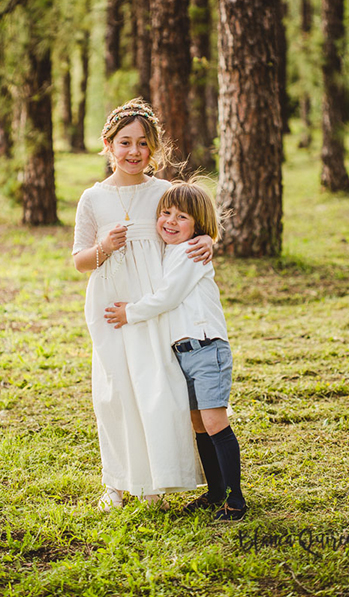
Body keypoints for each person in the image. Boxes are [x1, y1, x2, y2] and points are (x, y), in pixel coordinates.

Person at [71, 99, 213, 510]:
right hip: (111, 305)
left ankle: (157, 481)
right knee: (114, 392)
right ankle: (116, 481)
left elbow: (195, 227)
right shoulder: (93, 198)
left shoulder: (166, 192)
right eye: (125, 142)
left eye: (143, 143)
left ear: (155, 148)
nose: (134, 152)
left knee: (159, 388)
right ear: (108, 145)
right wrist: (104, 246)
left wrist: (207, 240)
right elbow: (79, 261)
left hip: (155, 303)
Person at [104, 179, 247, 522]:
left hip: (206, 348)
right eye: (165, 213)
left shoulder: (190, 253)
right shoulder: (171, 250)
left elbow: (167, 296)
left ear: (198, 225)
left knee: (215, 423)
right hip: (184, 352)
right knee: (198, 424)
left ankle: (235, 500)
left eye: (182, 217)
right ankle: (215, 493)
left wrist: (130, 312)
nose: (170, 221)